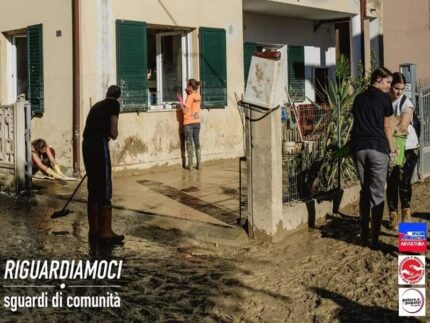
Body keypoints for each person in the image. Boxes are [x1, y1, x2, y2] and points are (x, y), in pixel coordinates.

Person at [350, 67, 395, 248]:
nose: (389, 86)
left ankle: (363, 235)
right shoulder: (385, 99)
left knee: (364, 190)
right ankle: (374, 238)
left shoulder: (359, 98)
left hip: (359, 148)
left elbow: (356, 122)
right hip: (377, 148)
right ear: (378, 79)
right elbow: (387, 127)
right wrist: (392, 147)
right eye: (387, 82)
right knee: (377, 193)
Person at [82, 85, 124, 243]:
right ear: (118, 96)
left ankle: (94, 229)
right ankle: (106, 232)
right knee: (105, 187)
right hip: (99, 144)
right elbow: (113, 132)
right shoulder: (114, 105)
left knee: (93, 187)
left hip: (87, 144)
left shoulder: (96, 106)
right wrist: (113, 134)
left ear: (107, 94)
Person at [386, 72, 419, 229]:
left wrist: (389, 124)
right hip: (389, 147)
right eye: (396, 88)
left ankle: (406, 212)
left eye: (402, 89)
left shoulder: (407, 103)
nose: (398, 92)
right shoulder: (385, 100)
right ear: (391, 86)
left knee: (404, 181)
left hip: (408, 148)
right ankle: (393, 214)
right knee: (391, 181)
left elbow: (403, 126)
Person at [178, 79, 202, 170]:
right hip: (197, 122)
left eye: (188, 86)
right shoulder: (198, 96)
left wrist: (181, 104)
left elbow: (185, 111)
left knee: (189, 144)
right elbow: (193, 105)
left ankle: (190, 165)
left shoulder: (190, 97)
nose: (187, 87)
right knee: (197, 143)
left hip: (188, 123)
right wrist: (189, 94)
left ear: (191, 87)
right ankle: (199, 164)